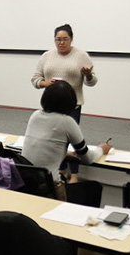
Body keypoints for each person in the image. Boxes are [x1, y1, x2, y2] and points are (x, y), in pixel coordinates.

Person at [22, 81, 112, 200]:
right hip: (51, 190)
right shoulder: (67, 122)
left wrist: (64, 154)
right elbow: (88, 158)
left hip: (27, 185)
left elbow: (42, 147)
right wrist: (101, 149)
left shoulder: (35, 115)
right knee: (94, 188)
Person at [31, 24, 97, 183]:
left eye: (65, 39)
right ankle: (60, 170)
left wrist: (88, 75)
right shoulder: (47, 56)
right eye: (58, 39)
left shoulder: (81, 55)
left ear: (71, 39)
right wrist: (46, 84)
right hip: (51, 105)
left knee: (73, 139)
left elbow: (92, 81)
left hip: (72, 106)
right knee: (54, 139)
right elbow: (35, 79)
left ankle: (74, 174)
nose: (61, 42)